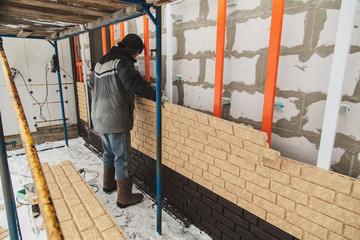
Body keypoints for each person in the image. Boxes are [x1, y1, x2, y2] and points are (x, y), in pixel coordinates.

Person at [89, 33, 156, 208]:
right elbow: (133, 84)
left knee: (108, 152)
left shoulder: (101, 62)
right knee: (122, 157)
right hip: (115, 118)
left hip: (99, 116)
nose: (137, 57)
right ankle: (124, 197)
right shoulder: (122, 62)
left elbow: (92, 83)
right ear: (133, 50)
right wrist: (156, 94)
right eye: (138, 53)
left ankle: (108, 184)